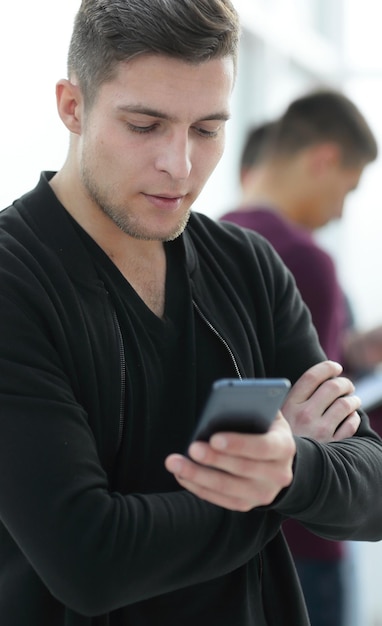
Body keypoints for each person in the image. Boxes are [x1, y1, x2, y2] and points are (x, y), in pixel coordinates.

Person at [0, 3, 380, 625]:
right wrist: (280, 489)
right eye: (145, 125)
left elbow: (373, 486)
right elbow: (90, 561)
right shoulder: (15, 283)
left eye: (206, 130)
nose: (179, 166)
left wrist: (290, 468)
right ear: (73, 106)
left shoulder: (248, 265)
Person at [219, 91, 380, 626]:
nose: (339, 211)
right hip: (310, 533)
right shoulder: (304, 259)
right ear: (323, 161)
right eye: (348, 189)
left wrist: (351, 353)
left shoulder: (209, 243)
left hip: (233, 541)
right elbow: (336, 422)